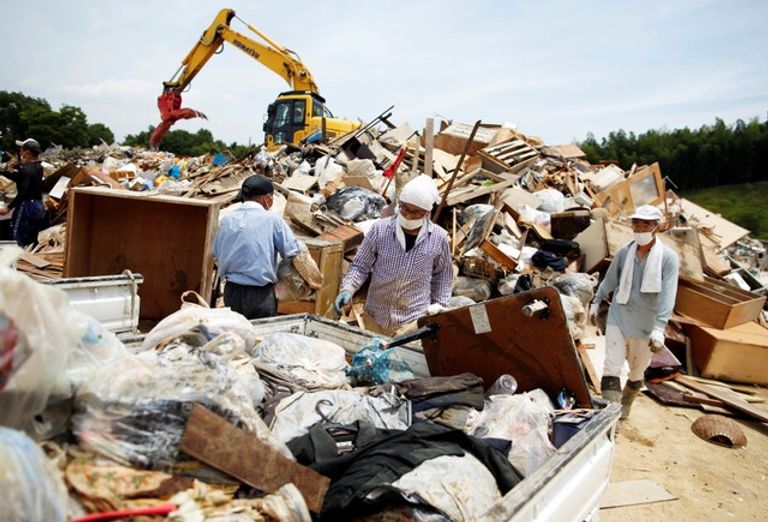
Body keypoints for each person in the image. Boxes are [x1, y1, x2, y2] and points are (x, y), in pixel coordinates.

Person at [589, 205, 679, 419]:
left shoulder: (668, 258)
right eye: (637, 224)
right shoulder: (625, 252)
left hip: (645, 322)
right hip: (619, 315)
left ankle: (626, 401)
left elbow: (668, 293)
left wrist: (659, 327)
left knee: (637, 370)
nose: (640, 229)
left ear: (656, 227)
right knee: (612, 365)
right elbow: (610, 279)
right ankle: (609, 417)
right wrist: (597, 300)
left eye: (646, 224)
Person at [334, 175, 453, 336]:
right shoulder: (380, 229)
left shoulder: (438, 238)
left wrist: (439, 306)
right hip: (376, 317)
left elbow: (443, 277)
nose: (408, 216)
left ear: (426, 212)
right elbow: (360, 266)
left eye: (415, 212)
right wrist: (348, 289)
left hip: (412, 321)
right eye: (404, 208)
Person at [213, 174, 321, 319]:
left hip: (231, 293)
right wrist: (314, 281)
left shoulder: (227, 220)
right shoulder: (272, 220)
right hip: (260, 295)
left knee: (236, 330)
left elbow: (216, 253)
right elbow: (296, 252)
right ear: (267, 199)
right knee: (261, 331)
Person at [0, 138, 46, 246]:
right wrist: (3, 172)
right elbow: (20, 178)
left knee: (16, 238)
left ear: (27, 152)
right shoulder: (38, 167)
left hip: (27, 206)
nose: (20, 153)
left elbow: (23, 192)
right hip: (38, 205)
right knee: (30, 238)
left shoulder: (26, 169)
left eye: (21, 151)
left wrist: (8, 208)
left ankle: (18, 256)